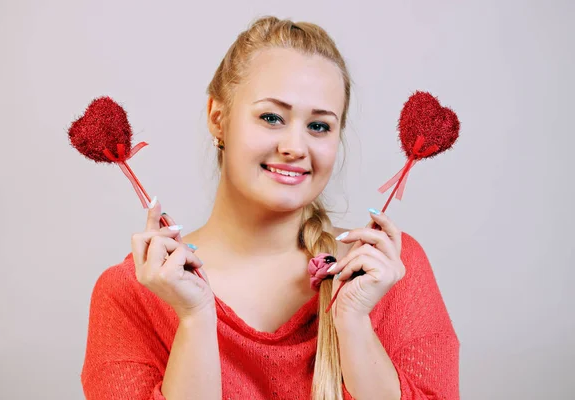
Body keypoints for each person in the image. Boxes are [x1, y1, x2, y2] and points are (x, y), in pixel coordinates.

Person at [80, 16, 459, 400]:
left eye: (319, 127)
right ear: (218, 118)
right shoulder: (131, 292)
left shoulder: (392, 269)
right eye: (271, 117)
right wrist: (194, 319)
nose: (295, 147)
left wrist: (354, 323)